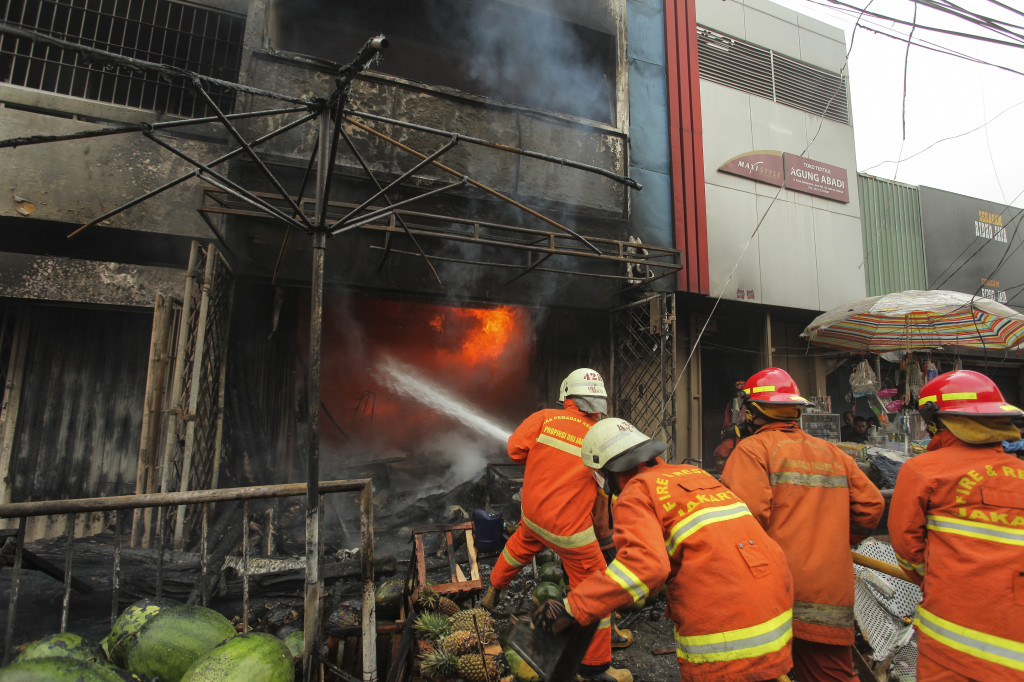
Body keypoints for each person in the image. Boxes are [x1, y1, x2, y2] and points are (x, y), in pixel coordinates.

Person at [534, 418, 794, 681]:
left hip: (727, 618)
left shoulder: (636, 492)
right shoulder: (694, 474)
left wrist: (573, 607)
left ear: (609, 469)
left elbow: (644, 567)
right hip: (776, 609)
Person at [721, 367, 885, 681]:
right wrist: (835, 540)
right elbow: (872, 506)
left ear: (753, 410)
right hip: (830, 594)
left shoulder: (753, 450)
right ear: (796, 410)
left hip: (776, 588)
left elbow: (746, 520)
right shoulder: (832, 452)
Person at [480, 368, 631, 682]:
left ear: (567, 396)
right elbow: (612, 481)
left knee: (517, 549)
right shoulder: (601, 435)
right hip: (571, 533)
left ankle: (493, 589)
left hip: (534, 517)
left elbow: (514, 450)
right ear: (599, 403)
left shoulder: (545, 418)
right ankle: (595, 668)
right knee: (595, 593)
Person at [888, 370, 1024, 680]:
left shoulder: (923, 471)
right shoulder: (1020, 471)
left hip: (955, 640)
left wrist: (934, 578)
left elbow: (907, 549)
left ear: (934, 418)